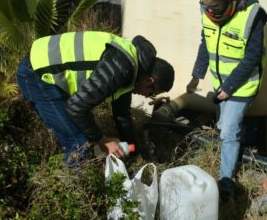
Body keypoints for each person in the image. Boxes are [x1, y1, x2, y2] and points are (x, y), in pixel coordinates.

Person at [16, 31, 174, 165]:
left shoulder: (132, 67)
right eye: (152, 93)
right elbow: (75, 108)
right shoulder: (119, 67)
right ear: (149, 80)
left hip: (44, 67)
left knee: (84, 129)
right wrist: (103, 140)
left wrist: (134, 150)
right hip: (36, 76)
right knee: (79, 145)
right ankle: (73, 192)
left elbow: (122, 115)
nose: (147, 97)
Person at [186, 0, 267, 200]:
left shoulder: (253, 15)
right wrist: (197, 74)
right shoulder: (207, 11)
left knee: (229, 132)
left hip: (241, 86)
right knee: (223, 127)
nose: (208, 10)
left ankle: (226, 185)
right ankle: (235, 147)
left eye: (213, 6)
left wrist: (230, 87)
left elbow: (252, 58)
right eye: (204, 4)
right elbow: (207, 41)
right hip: (221, 83)